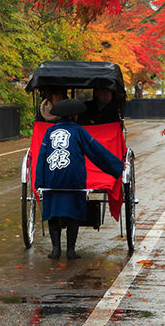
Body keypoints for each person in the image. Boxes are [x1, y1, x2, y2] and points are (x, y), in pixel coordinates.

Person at [35, 98, 125, 259]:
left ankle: (56, 250)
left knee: (53, 212)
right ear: (75, 116)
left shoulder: (49, 132)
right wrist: (117, 166)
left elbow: (42, 156)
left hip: (52, 178)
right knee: (73, 211)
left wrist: (39, 182)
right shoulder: (78, 131)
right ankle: (71, 250)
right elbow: (96, 151)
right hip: (73, 178)